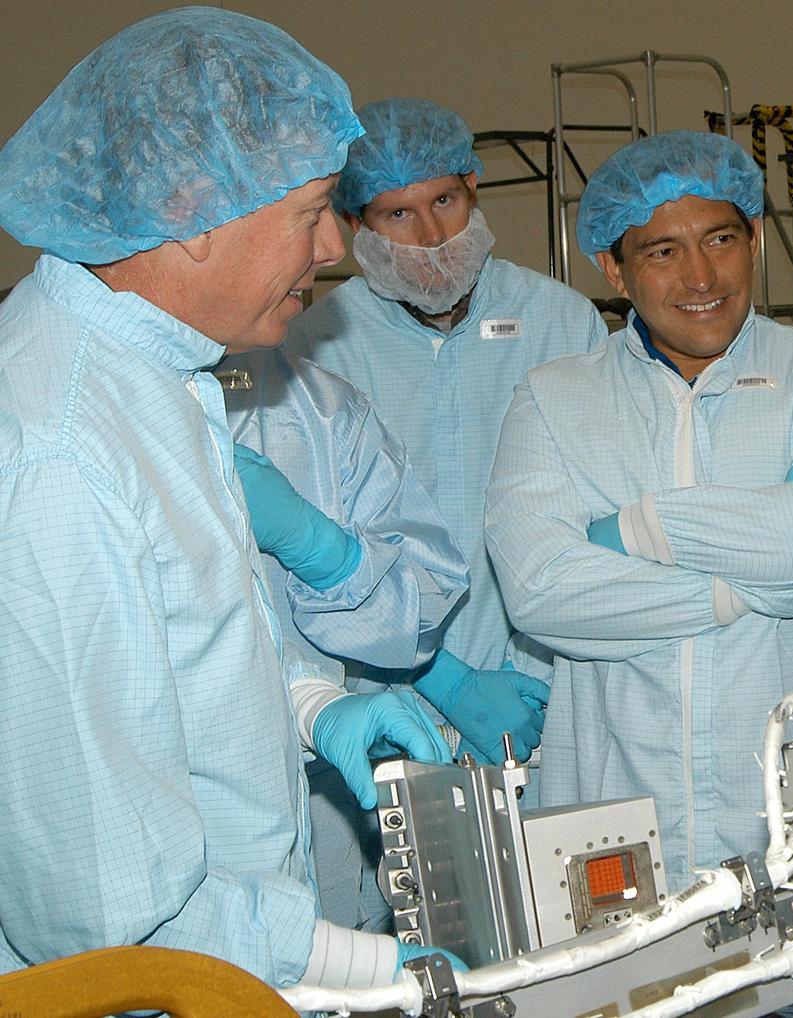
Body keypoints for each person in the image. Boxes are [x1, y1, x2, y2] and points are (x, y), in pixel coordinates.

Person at [0, 7, 460, 990]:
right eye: (312, 211)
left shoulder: (151, 378)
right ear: (194, 208)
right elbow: (105, 913)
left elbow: (165, 655)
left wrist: (308, 704)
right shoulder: (64, 456)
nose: (333, 246)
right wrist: (358, 964)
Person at [485, 130, 793, 886]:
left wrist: (635, 531)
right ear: (613, 268)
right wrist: (764, 581)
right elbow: (540, 589)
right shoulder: (555, 398)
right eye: (662, 251)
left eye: (721, 239)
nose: (702, 276)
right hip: (615, 801)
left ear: (755, 241)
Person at [290, 98, 608, 709]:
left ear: (473, 188)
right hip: (382, 693)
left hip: (545, 682)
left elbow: (593, 514)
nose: (432, 236)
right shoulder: (316, 348)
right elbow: (314, 552)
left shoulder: (561, 323)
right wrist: (428, 679)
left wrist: (531, 672)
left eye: (444, 201)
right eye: (398, 214)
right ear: (355, 224)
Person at [220, 345, 470, 932]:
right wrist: (308, 700)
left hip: (325, 825)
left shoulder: (322, 409)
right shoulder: (74, 411)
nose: (331, 250)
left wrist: (321, 548)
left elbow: (428, 599)